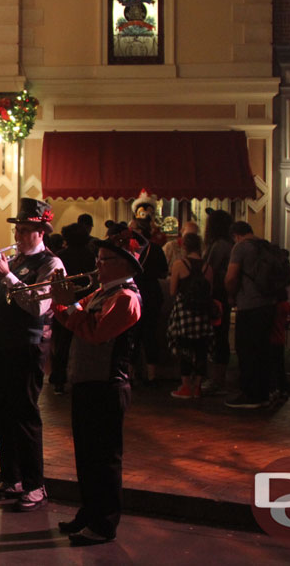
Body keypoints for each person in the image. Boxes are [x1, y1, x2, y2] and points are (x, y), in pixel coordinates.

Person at [51, 223, 145, 546]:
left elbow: (94, 331)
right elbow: (73, 321)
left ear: (123, 265)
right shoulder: (103, 293)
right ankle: (89, 512)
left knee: (104, 459)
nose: (97, 266)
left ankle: (104, 523)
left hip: (107, 386)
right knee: (86, 457)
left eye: (104, 260)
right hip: (87, 382)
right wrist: (59, 301)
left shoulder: (126, 298)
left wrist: (70, 305)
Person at [0, 198, 64, 512]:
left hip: (28, 348)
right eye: (18, 230)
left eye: (26, 231)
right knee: (2, 414)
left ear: (41, 233)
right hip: (0, 346)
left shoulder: (51, 264)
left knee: (25, 417)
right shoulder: (10, 262)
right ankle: (11, 479)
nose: (19, 237)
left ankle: (35, 484)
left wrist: (8, 275)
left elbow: (39, 306)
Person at [224, 221, 277, 409]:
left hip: (249, 305)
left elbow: (231, 277)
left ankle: (249, 394)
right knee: (263, 349)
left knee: (246, 349)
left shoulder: (240, 248)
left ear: (236, 235)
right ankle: (263, 393)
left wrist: (231, 296)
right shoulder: (266, 245)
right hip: (269, 304)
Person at [49, 222, 98, 395]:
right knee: (80, 340)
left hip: (65, 302)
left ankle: (58, 379)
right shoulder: (90, 255)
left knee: (61, 341)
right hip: (83, 302)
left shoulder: (60, 255)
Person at [166, 232, 214, 399]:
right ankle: (198, 386)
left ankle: (186, 386)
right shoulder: (208, 267)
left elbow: (172, 291)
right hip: (202, 312)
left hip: (184, 312)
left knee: (184, 348)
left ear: (184, 246)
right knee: (201, 349)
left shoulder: (180, 264)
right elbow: (210, 291)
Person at [130, 194, 167, 386]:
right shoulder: (157, 249)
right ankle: (152, 375)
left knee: (133, 334)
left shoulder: (130, 249)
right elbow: (163, 273)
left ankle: (133, 374)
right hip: (152, 293)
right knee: (150, 335)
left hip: (134, 294)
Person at [202, 208, 235, 395]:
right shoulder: (228, 244)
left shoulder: (219, 246)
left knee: (217, 335)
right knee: (220, 335)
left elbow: (209, 269)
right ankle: (217, 377)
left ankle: (217, 378)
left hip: (217, 295)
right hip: (223, 295)